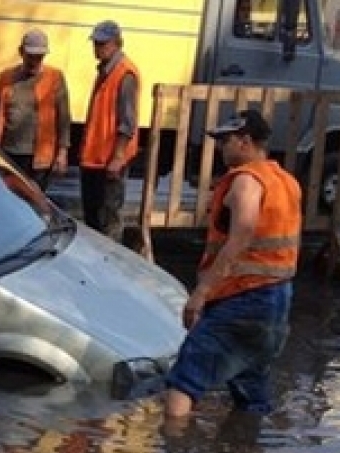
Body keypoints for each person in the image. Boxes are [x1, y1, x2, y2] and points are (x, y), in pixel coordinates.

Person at [160, 109, 302, 429]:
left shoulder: (246, 183)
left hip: (242, 297)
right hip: (277, 300)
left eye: (226, 141)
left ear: (245, 141)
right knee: (251, 383)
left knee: (186, 376)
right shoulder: (286, 181)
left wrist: (201, 292)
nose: (221, 147)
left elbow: (240, 238)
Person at [0, 28, 70, 188]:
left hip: (39, 158)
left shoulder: (55, 78)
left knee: (35, 200)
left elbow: (64, 119)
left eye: (39, 57)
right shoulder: (6, 78)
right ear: (21, 52)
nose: (35, 61)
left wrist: (62, 152)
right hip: (9, 153)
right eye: (31, 56)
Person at [79, 20, 139, 242]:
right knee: (94, 217)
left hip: (109, 161)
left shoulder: (124, 74)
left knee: (109, 219)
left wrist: (118, 157)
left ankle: (110, 268)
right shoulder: (105, 70)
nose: (97, 47)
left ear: (116, 43)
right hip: (95, 159)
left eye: (102, 43)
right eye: (95, 43)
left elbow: (127, 121)